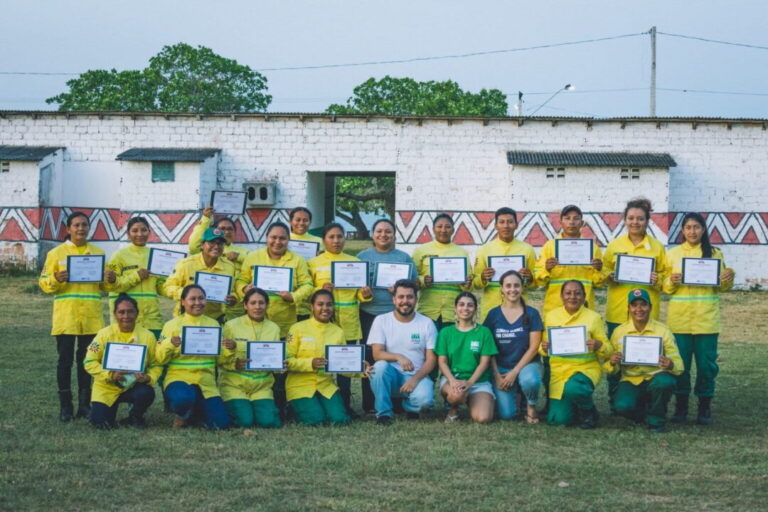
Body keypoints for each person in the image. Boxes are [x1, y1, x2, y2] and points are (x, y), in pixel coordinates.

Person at [39, 211, 112, 422]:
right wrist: (55, 278)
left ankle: (84, 405)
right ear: (68, 229)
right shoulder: (56, 254)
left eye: (84, 225)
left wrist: (110, 278)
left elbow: (105, 286)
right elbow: (44, 284)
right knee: (64, 361)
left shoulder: (98, 253)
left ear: (89, 228)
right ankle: (66, 407)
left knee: (86, 361)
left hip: (91, 316)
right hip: (67, 317)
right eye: (76, 225)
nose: (81, 229)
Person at [663, 212, 735, 425]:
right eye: (688, 227)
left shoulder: (714, 254)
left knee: (707, 367)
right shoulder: (673, 254)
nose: (692, 231)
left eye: (696, 227)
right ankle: (681, 407)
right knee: (680, 366)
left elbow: (722, 287)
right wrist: (671, 281)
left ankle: (704, 407)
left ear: (703, 230)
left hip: (706, 321)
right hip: (680, 321)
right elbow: (664, 287)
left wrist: (728, 278)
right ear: (682, 231)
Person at [602, 198, 668, 412]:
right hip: (618, 312)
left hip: (646, 315)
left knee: (646, 356)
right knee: (616, 357)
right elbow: (602, 272)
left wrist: (656, 279)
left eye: (640, 218)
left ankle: (647, 399)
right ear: (624, 220)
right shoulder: (615, 246)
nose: (635, 222)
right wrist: (610, 276)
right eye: (631, 218)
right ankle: (616, 400)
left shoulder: (657, 248)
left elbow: (667, 280)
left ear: (647, 221)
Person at [308, 223, 373, 416]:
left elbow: (360, 296)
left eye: (339, 236)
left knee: (345, 365)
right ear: (324, 240)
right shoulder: (314, 263)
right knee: (322, 361)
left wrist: (365, 294)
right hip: (323, 321)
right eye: (331, 237)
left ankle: (345, 404)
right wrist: (320, 290)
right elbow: (307, 293)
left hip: (350, 321)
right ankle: (319, 399)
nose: (336, 241)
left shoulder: (354, 262)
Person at [357, 218, 418, 413]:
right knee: (371, 359)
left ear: (394, 235)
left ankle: (397, 400)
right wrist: (363, 292)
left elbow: (415, 284)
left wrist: (399, 289)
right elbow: (353, 284)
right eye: (379, 231)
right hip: (369, 313)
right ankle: (370, 404)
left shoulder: (404, 258)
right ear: (372, 234)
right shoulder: (361, 256)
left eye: (388, 232)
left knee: (395, 356)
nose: (384, 235)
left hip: (396, 316)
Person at [285, 290, 371, 426]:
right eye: (320, 304)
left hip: (326, 385)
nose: (325, 308)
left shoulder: (338, 332)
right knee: (316, 421)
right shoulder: (297, 328)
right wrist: (310, 363)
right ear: (312, 306)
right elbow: (287, 361)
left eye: (329, 304)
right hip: (300, 385)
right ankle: (293, 408)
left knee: (340, 420)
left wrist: (361, 370)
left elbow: (343, 367)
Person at [155, 284, 235, 430]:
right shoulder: (171, 325)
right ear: (183, 302)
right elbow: (160, 358)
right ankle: (183, 414)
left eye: (201, 298)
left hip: (206, 383)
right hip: (179, 380)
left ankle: (196, 412)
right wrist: (170, 343)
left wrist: (229, 349)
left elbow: (221, 361)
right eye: (192, 299)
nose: (197, 303)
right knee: (182, 400)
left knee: (221, 425)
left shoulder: (214, 324)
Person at [607, 289, 683, 433]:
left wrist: (671, 364)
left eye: (643, 305)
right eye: (634, 305)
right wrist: (612, 362)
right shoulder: (619, 332)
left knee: (665, 383)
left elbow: (679, 364)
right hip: (631, 379)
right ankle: (642, 411)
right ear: (628, 308)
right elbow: (610, 367)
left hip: (656, 377)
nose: (639, 309)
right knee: (622, 407)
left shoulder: (663, 331)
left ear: (650, 307)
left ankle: (656, 420)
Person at [540, 280, 612, 428]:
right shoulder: (551, 316)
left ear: (584, 296)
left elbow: (608, 348)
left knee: (574, 389)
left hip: (585, 369)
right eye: (568, 293)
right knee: (557, 420)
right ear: (561, 296)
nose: (572, 297)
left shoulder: (593, 318)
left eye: (577, 293)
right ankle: (575, 407)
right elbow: (542, 346)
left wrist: (599, 345)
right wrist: (544, 347)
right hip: (559, 371)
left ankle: (588, 411)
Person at [83, 294, 160, 429]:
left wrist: (148, 377)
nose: (126, 316)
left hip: (133, 385)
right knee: (101, 424)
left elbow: (156, 364)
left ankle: (135, 417)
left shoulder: (148, 336)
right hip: (106, 386)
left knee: (146, 393)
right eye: (121, 312)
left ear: (137, 313)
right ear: (115, 314)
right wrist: (110, 374)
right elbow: (89, 362)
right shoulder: (103, 334)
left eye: (130, 311)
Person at [367, 279, 437, 426]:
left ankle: (409, 406)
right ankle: (384, 414)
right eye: (401, 297)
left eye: (410, 297)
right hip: (390, 376)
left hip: (415, 375)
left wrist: (414, 380)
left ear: (416, 299)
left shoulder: (426, 323)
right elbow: (377, 354)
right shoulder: (381, 320)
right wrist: (398, 357)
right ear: (394, 299)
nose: (405, 301)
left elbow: (431, 360)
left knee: (425, 402)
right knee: (379, 368)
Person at [483, 270, 544, 423]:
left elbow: (534, 347)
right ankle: (516, 395)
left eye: (517, 286)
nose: (512, 290)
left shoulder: (532, 313)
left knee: (530, 380)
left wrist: (515, 372)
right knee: (507, 415)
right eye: (508, 286)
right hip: (502, 369)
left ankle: (530, 406)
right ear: (502, 289)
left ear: (522, 288)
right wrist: (496, 375)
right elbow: (488, 349)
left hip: (526, 366)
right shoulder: (493, 314)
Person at [237, 222, 313, 338]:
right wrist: (244, 288)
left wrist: (293, 296)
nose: (277, 242)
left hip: (284, 320)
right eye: (273, 237)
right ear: (267, 238)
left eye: (282, 238)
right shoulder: (252, 257)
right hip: (255, 320)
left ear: (288, 240)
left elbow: (307, 284)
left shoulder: (298, 260)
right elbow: (240, 280)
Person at [220, 287, 283, 429]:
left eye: (261, 303)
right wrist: (234, 364)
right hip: (235, 385)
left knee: (268, 422)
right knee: (245, 421)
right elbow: (220, 360)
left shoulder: (274, 328)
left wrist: (281, 365)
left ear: (267, 305)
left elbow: (275, 359)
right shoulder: (231, 326)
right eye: (253, 303)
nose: (257, 307)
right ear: (245, 305)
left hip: (262, 386)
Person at [436, 292, 498, 424]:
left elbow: (484, 363)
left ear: (475, 309)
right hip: (453, 380)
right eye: (461, 305)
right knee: (457, 395)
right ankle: (453, 408)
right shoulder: (445, 332)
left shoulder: (484, 332)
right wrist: (452, 381)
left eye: (470, 305)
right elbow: (442, 362)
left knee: (483, 418)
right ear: (455, 308)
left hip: (478, 382)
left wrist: (469, 383)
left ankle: (474, 399)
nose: (465, 308)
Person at [534, 205, 605, 318]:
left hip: (584, 307)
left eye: (576, 218)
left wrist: (599, 270)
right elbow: (538, 281)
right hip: (555, 307)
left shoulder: (592, 248)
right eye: (567, 218)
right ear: (560, 222)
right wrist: (546, 269)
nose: (571, 222)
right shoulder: (549, 247)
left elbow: (599, 283)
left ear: (581, 223)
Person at [473, 207, 537, 322]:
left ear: (516, 225)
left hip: (520, 308)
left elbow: (535, 285)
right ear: (495, 226)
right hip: (491, 307)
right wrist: (482, 277)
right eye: (501, 222)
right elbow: (475, 284)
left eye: (510, 222)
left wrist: (530, 277)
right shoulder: (484, 249)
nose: (506, 226)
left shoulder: (527, 249)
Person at [106, 216, 165, 337]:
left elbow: (161, 287)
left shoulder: (156, 256)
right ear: (128, 234)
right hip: (126, 319)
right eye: (134, 231)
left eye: (144, 230)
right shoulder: (119, 256)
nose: (140, 234)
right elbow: (112, 286)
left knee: (152, 354)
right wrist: (136, 276)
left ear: (149, 232)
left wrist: (179, 286)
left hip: (152, 319)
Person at [163, 227, 237, 323]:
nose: (216, 246)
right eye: (211, 242)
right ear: (202, 245)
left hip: (214, 319)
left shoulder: (229, 266)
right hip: (186, 318)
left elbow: (232, 290)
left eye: (220, 243)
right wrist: (186, 294)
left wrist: (233, 298)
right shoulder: (186, 264)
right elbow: (168, 287)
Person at [411, 214, 473, 329]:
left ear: (453, 230)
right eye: (439, 227)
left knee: (450, 346)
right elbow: (411, 278)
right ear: (433, 229)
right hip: (428, 310)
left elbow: (469, 284)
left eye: (447, 227)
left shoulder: (462, 253)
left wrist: (467, 284)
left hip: (453, 311)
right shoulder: (421, 250)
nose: (443, 230)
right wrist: (423, 280)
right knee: (429, 346)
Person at [188, 206, 248, 321]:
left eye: (230, 229)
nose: (226, 232)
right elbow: (193, 246)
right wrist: (205, 218)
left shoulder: (243, 251)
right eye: (222, 228)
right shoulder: (209, 250)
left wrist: (239, 257)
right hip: (208, 310)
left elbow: (253, 263)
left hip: (236, 310)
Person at [289, 207, 324, 321]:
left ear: (310, 222)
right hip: (288, 289)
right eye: (297, 220)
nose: (301, 223)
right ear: (290, 221)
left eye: (305, 220)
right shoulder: (284, 238)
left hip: (310, 288)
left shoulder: (318, 241)